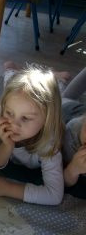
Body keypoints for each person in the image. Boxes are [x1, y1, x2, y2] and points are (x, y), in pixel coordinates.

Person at [0, 64, 64, 205]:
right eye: (9, 113)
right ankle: (10, 70)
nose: (13, 124)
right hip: (12, 96)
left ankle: (59, 79)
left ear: (47, 120)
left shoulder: (49, 141)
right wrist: (6, 147)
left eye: (25, 118)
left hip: (67, 110)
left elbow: (55, 195)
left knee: (62, 96)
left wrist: (8, 189)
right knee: (11, 85)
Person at [61, 67, 86, 199]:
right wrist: (73, 169)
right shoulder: (72, 138)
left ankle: (60, 78)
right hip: (64, 111)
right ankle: (11, 71)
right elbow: (61, 183)